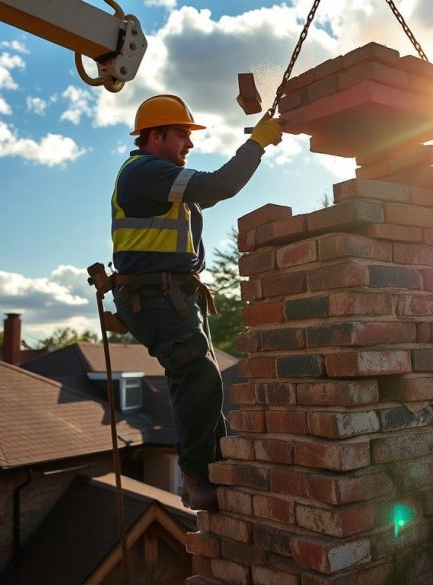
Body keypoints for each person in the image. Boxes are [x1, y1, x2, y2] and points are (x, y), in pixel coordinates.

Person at [110, 94, 282, 510]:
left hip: (171, 294)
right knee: (198, 374)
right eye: (181, 135)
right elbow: (220, 184)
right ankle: (197, 477)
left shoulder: (162, 179)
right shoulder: (145, 171)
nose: (189, 144)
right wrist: (256, 143)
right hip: (155, 294)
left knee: (199, 380)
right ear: (154, 136)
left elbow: (214, 189)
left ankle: (216, 467)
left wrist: (255, 146)